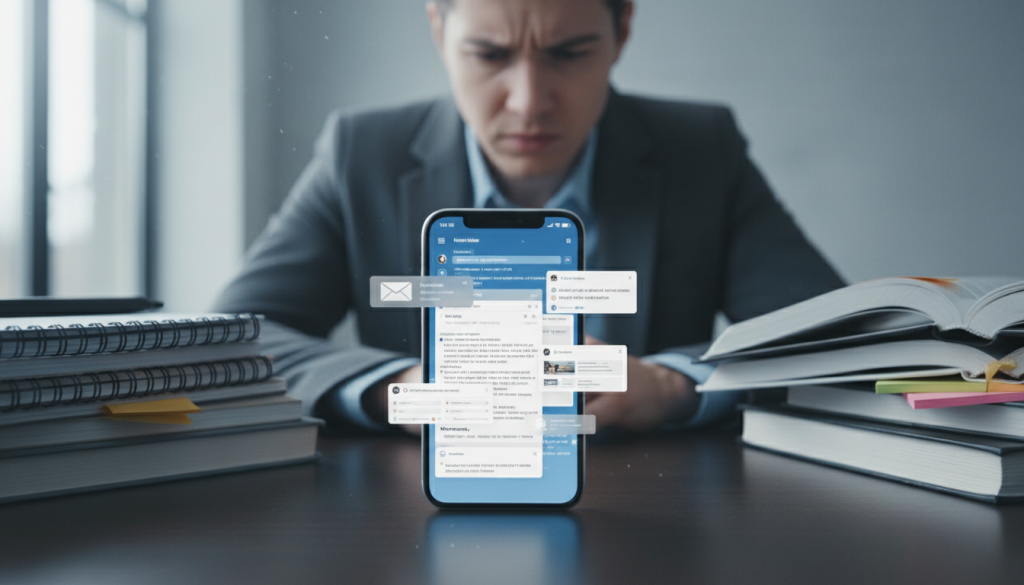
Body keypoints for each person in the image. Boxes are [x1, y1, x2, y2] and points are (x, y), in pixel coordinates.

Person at [213, 0, 844, 434]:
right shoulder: (360, 152)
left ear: (623, 30)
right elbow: (236, 336)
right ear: (439, 29)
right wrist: (400, 387)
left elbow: (829, 339)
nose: (529, 102)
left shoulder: (700, 148)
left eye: (568, 54)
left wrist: (670, 385)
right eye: (489, 55)